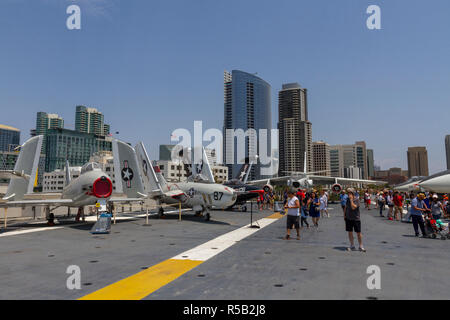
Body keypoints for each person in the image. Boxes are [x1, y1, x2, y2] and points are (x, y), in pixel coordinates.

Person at [344, 188, 366, 252]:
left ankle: (361, 246)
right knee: (350, 232)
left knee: (358, 233)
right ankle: (352, 245)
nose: (348, 194)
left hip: (356, 218)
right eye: (348, 193)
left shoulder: (357, 199)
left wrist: (351, 200)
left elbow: (353, 207)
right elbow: (346, 207)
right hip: (348, 218)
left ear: (353, 193)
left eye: (349, 193)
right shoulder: (347, 199)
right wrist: (344, 215)